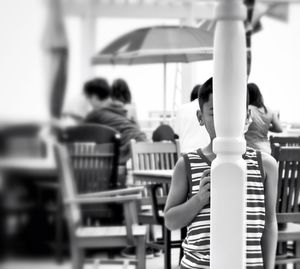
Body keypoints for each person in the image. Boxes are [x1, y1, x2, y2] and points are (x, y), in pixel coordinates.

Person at [164, 77, 278, 269]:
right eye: (215, 113)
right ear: (201, 117)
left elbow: (269, 224)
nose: (225, 121)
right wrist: (198, 199)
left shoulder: (266, 165)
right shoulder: (186, 165)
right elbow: (170, 221)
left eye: (233, 112)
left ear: (248, 116)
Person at [84, 77, 147, 165]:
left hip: (130, 151)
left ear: (94, 97)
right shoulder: (121, 107)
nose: (88, 102)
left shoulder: (96, 114)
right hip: (145, 146)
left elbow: (78, 131)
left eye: (88, 98)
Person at [245, 82, 282, 154]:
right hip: (267, 151)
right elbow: (279, 129)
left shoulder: (247, 110)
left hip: (251, 152)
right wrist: (265, 126)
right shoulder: (269, 111)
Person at [174, 84, 210, 153]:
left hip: (184, 153)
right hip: (205, 153)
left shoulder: (182, 109)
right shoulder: (206, 108)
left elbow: (176, 135)